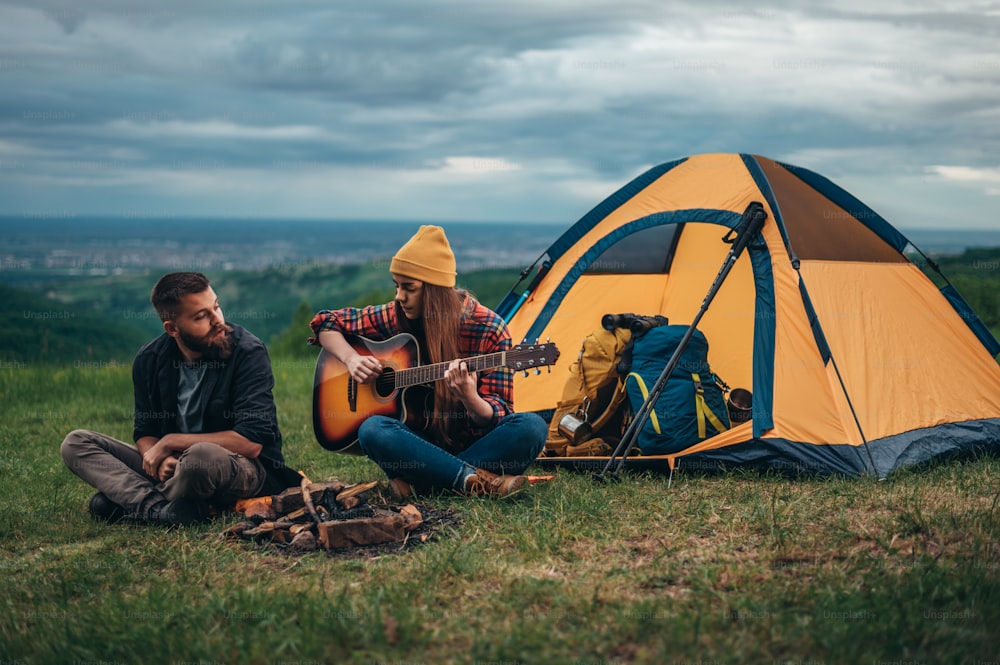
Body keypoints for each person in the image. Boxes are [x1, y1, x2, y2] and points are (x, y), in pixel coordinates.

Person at [310, 225, 547, 498]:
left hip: (475, 444)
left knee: (531, 428)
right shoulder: (397, 314)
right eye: (397, 286)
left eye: (409, 288)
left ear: (435, 291)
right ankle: (473, 479)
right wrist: (351, 359)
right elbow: (326, 323)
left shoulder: (490, 328)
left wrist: (470, 398)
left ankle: (427, 483)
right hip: (418, 444)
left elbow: (498, 415)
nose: (399, 296)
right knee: (373, 430)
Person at [61, 272, 302, 526]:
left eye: (216, 307)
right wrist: (160, 458)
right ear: (172, 328)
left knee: (200, 457)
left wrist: (172, 442)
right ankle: (160, 510)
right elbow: (145, 433)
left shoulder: (247, 352)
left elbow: (252, 442)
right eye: (201, 317)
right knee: (76, 443)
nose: (218, 320)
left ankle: (131, 503)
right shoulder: (149, 360)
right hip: (174, 470)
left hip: (242, 468)